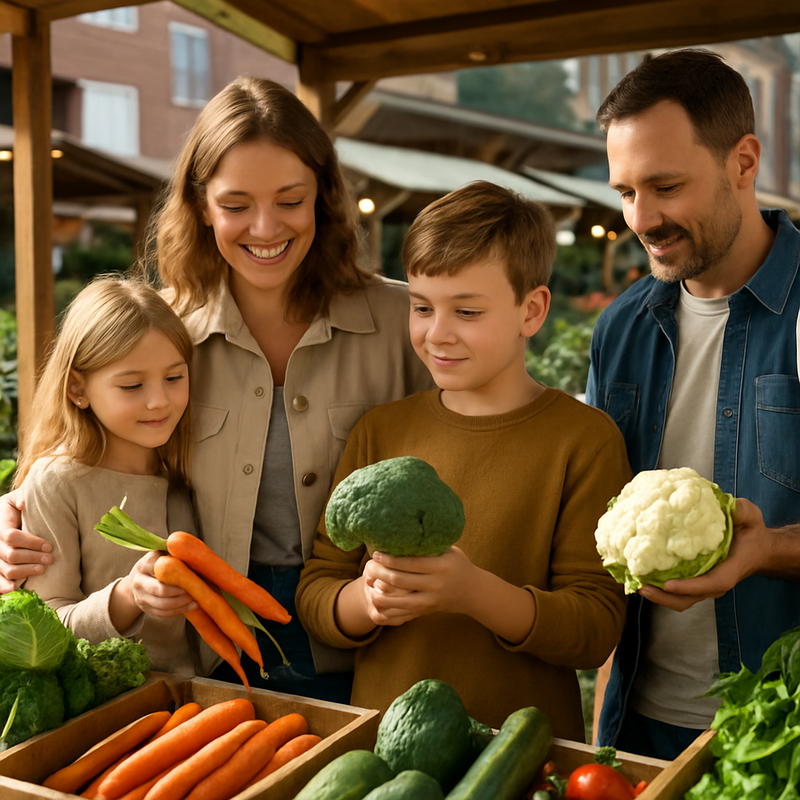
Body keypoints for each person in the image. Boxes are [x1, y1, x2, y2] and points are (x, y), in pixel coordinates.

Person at [0, 76, 432, 701]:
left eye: (290, 200)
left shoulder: (404, 321)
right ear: (200, 206)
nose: (265, 227)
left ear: (325, 197)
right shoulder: (161, 336)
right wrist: (10, 515)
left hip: (378, 639)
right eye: (235, 205)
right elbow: (70, 454)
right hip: (213, 647)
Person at [295, 181, 630, 739]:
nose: (437, 333)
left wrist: (473, 593)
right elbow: (317, 589)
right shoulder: (381, 430)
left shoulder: (584, 441)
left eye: (467, 311)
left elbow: (595, 628)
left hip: (519, 761)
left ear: (532, 310)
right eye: (422, 307)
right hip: (380, 756)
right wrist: (365, 600)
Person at [585, 49, 800, 760]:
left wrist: (766, 550)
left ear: (744, 161)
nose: (641, 218)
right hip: (639, 725)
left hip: (780, 729)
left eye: (665, 185)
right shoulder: (620, 327)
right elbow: (618, 537)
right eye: (624, 192)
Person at [19, 276, 198, 677]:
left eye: (174, 377)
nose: (160, 401)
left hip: (189, 702)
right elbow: (48, 626)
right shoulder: (57, 481)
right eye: (132, 385)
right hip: (103, 712)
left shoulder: (183, 470)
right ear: (77, 388)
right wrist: (128, 595)